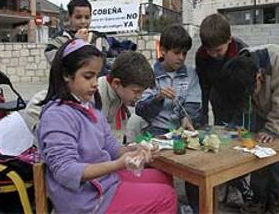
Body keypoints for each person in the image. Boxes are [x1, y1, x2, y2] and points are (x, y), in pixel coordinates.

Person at [37, 39, 177, 214]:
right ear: (66, 74)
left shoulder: (90, 109)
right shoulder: (57, 115)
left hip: (101, 183)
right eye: (88, 76)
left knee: (163, 177)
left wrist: (137, 150)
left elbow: (111, 147)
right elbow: (66, 171)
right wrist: (119, 164)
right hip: (85, 199)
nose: (95, 83)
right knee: (166, 196)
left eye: (96, 76)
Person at [217, 44, 279, 213]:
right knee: (258, 154)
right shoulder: (241, 65)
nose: (251, 97)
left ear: (259, 76)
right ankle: (259, 198)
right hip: (264, 110)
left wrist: (272, 129)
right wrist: (236, 124)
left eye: (252, 93)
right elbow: (241, 98)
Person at [131, 24, 201, 138]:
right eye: (177, 52)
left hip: (181, 130)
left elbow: (193, 104)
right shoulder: (150, 74)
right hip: (156, 131)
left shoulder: (191, 74)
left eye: (184, 53)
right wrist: (158, 98)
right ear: (163, 50)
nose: (181, 57)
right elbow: (141, 110)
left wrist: (186, 118)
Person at [195, 13, 247, 128]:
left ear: (229, 40)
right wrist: (203, 114)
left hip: (241, 100)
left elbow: (247, 91)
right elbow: (204, 87)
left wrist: (238, 119)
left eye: (218, 50)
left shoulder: (242, 53)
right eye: (209, 50)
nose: (214, 55)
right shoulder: (201, 55)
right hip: (219, 99)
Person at [98, 51, 155, 127]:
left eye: (141, 92)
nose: (139, 96)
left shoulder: (118, 93)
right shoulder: (96, 96)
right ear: (116, 83)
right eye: (136, 91)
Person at [44, 0, 109, 64]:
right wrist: (75, 43)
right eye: (78, 17)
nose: (83, 21)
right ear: (69, 17)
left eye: (87, 17)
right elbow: (57, 63)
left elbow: (103, 63)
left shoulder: (99, 39)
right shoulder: (58, 40)